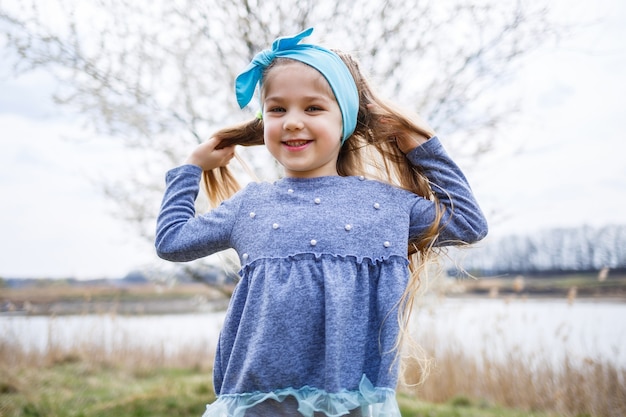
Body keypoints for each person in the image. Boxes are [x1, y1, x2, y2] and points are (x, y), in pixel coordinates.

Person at [155, 27, 488, 417]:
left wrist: (414, 139)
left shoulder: (386, 205)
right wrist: (191, 169)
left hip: (354, 404)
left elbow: (468, 222)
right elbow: (171, 241)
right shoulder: (251, 205)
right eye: (277, 109)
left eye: (313, 108)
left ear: (344, 119)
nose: (292, 122)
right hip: (257, 405)